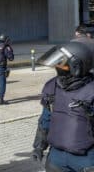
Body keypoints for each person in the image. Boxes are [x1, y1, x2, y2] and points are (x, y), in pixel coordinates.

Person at [32, 40, 94, 171]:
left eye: (62, 65)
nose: (58, 68)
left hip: (86, 159)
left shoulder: (91, 91)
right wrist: (39, 146)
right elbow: (45, 119)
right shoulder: (52, 86)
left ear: (76, 66)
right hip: (56, 157)